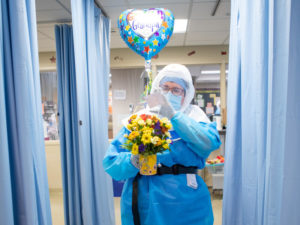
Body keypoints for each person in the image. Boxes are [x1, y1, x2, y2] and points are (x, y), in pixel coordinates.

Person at [103, 64, 221, 225]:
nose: (169, 93)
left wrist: (173, 115)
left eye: (176, 90)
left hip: (187, 199)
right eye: (165, 88)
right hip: (147, 199)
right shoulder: (139, 120)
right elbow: (111, 164)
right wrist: (134, 159)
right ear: (157, 91)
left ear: (185, 95)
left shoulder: (195, 117)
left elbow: (208, 143)